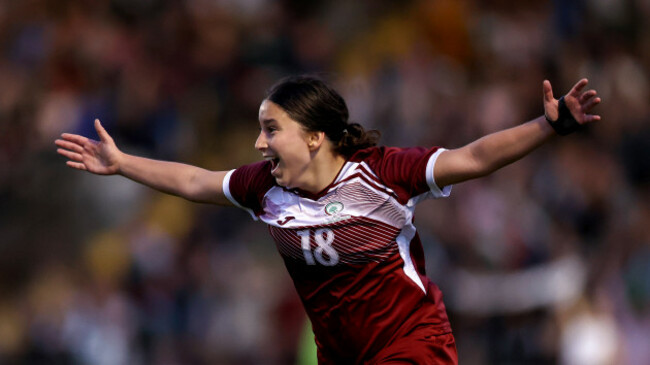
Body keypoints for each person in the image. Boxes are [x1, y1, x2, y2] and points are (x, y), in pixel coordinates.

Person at [55, 75, 601, 364]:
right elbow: (196, 181)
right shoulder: (264, 189)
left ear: (315, 137)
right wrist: (123, 163)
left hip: (412, 346)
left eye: (271, 129)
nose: (258, 142)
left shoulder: (385, 175)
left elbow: (476, 157)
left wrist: (548, 127)